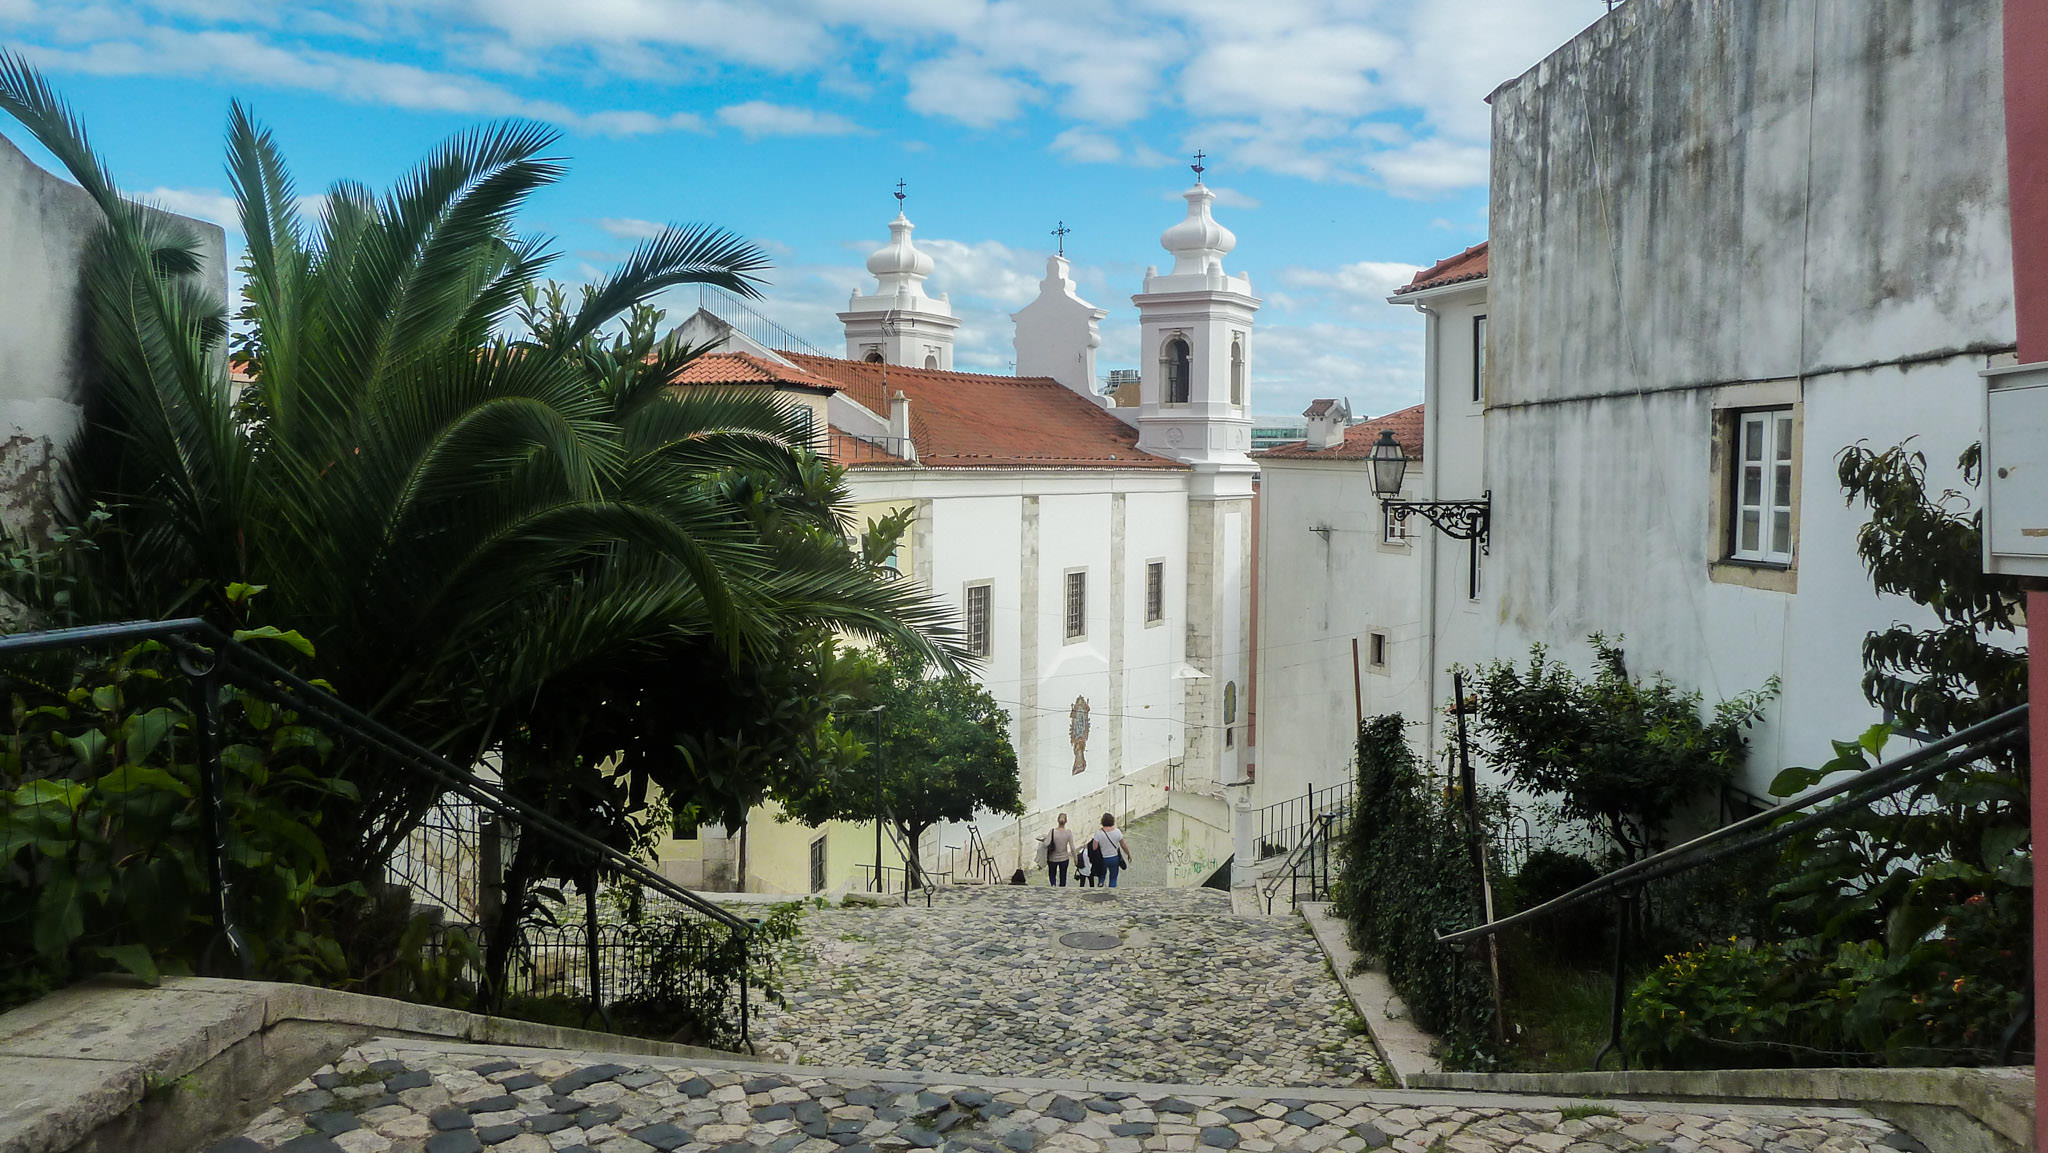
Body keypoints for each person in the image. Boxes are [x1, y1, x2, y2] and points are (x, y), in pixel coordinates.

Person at [1093, 812, 1133, 888]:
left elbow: (1094, 847)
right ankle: (1111, 893)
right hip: (1114, 858)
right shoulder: (1117, 832)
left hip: (1103, 858)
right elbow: (1123, 845)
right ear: (1112, 821)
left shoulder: (1098, 833)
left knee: (1102, 875)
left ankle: (1101, 884)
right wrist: (1129, 854)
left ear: (1102, 821)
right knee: (1113, 878)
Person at [1046, 813, 1075, 887]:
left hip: (1052, 858)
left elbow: (1046, 844)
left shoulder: (1052, 831)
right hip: (1064, 858)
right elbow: (1072, 847)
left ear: (1057, 820)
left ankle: (1053, 885)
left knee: (1052, 874)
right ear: (1066, 821)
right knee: (1063, 876)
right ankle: (1062, 889)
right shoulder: (1068, 832)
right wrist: (1075, 858)